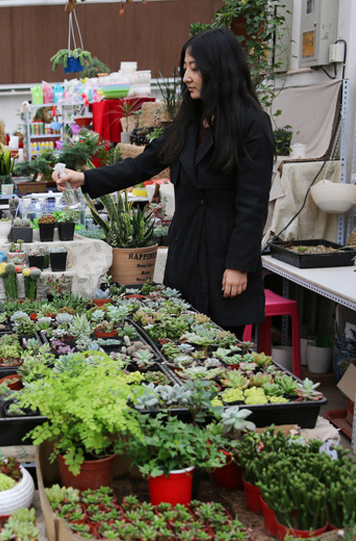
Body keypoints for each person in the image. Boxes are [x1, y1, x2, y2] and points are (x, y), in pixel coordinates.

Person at [53, 27, 274, 337]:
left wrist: (239, 265)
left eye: (195, 68)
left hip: (224, 259)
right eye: (185, 68)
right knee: (179, 337)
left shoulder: (251, 124)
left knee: (221, 348)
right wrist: (84, 178)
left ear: (220, 68)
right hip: (185, 254)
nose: (186, 77)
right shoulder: (190, 121)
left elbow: (252, 204)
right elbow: (142, 165)